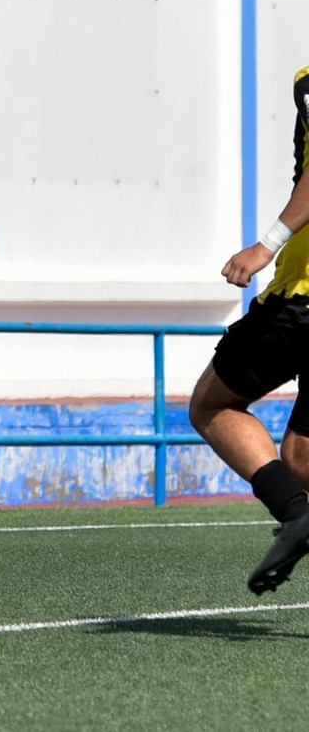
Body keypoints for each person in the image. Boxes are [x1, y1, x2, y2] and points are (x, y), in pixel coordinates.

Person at [190, 65, 309, 594]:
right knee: (302, 454)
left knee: (211, 404)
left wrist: (268, 242)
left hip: (301, 298)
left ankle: (295, 514)